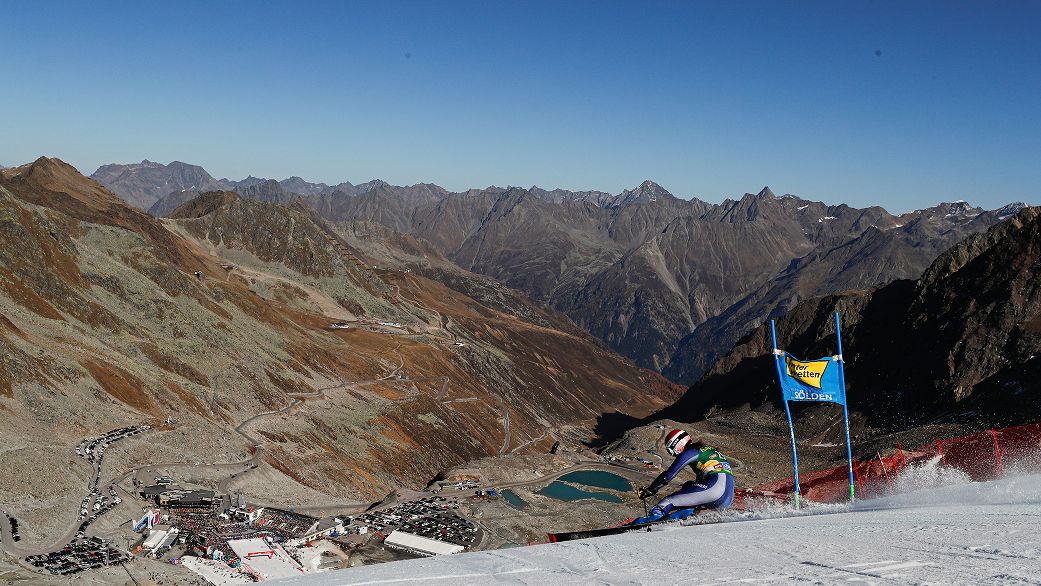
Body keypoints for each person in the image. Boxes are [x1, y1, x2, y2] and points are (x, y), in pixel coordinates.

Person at [631, 428, 734, 524]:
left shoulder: (691, 452)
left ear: (676, 445)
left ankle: (647, 521)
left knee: (667, 502)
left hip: (716, 489)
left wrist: (650, 490)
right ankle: (683, 515)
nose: (672, 454)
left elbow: (668, 475)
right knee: (688, 487)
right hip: (726, 496)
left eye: (670, 449)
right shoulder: (706, 450)